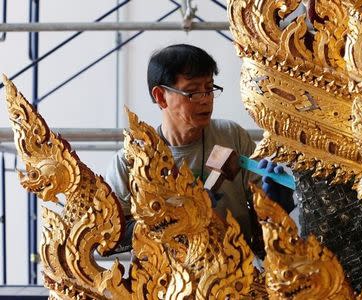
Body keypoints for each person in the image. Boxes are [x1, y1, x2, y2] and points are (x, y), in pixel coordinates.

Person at [105, 44, 294, 255]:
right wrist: (174, 220)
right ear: (160, 97)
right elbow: (111, 237)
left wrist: (276, 205)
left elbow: (265, 229)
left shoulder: (231, 137)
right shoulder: (131, 160)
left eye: (210, 88)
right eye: (193, 92)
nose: (206, 99)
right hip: (166, 282)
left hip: (236, 276)